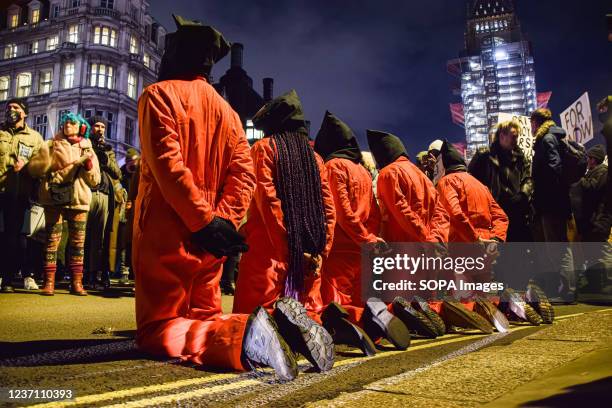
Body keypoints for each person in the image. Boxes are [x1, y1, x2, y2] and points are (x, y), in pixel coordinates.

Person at [134, 15, 298, 381]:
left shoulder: (158, 95)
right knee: (204, 312)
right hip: (215, 234)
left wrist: (201, 221)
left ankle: (241, 334)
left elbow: (168, 165)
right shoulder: (228, 113)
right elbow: (244, 175)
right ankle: (257, 328)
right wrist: (222, 221)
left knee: (157, 328)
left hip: (168, 227)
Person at [232, 90, 336, 372]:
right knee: (306, 306)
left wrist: (287, 249)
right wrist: (318, 252)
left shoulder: (264, 149)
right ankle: (303, 326)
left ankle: (268, 336)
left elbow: (267, 202)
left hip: (269, 252)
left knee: (250, 316)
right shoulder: (316, 159)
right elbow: (329, 209)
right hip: (309, 252)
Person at [313, 111, 383, 355]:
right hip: (361, 248)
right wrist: (369, 238)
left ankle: (348, 334)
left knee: (336, 303)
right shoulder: (362, 170)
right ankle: (373, 329)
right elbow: (374, 212)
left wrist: (361, 237)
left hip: (342, 247)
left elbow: (340, 211)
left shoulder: (333, 166)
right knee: (358, 299)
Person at [39, 112, 101, 296]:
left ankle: (77, 282)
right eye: (65, 122)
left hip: (79, 199)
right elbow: (39, 169)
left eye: (72, 123)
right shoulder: (51, 144)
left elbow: (95, 181)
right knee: (52, 241)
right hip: (54, 199)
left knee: (78, 243)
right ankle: (48, 282)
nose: (68, 125)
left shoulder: (88, 148)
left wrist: (88, 166)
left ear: (82, 127)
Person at [0, 98, 50, 293]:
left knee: (12, 237)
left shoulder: (35, 138)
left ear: (25, 113)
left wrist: (28, 167)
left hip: (18, 193)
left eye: (16, 108)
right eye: (8, 107)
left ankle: (8, 278)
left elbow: (43, 166)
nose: (11, 110)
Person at [530, 108, 575, 303]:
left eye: (531, 123)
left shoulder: (547, 139)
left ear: (536, 123)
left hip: (552, 204)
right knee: (556, 248)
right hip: (554, 202)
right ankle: (563, 289)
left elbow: (554, 169)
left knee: (558, 248)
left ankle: (568, 291)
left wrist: (544, 192)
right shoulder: (553, 137)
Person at [469, 120, 533, 242]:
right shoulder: (484, 155)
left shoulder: (520, 157)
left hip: (518, 211)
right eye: (513, 136)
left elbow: (528, 178)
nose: (516, 140)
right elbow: (471, 182)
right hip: (496, 213)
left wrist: (523, 195)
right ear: (502, 136)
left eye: (517, 137)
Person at [85, 115, 122, 290]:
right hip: (86, 192)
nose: (100, 129)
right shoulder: (84, 144)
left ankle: (94, 274)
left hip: (105, 193)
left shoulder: (108, 149)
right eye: (96, 126)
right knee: (82, 236)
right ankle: (81, 274)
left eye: (102, 127)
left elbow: (117, 173)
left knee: (98, 239)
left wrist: (106, 161)